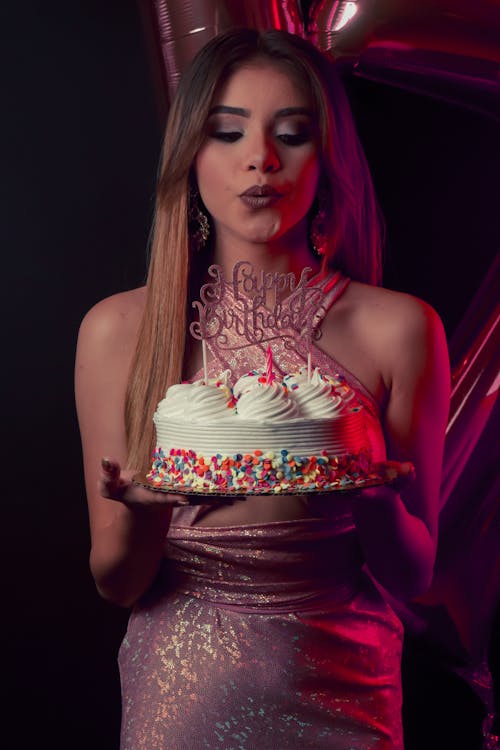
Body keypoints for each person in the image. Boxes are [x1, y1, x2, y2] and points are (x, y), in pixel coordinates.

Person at [75, 28, 450, 749]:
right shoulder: (117, 330)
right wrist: (146, 512)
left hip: (348, 685)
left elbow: (414, 574)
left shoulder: (399, 328)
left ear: (327, 154)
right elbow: (117, 583)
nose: (261, 160)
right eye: (227, 132)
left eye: (292, 133)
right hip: (181, 691)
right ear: (190, 154)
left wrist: (370, 496)